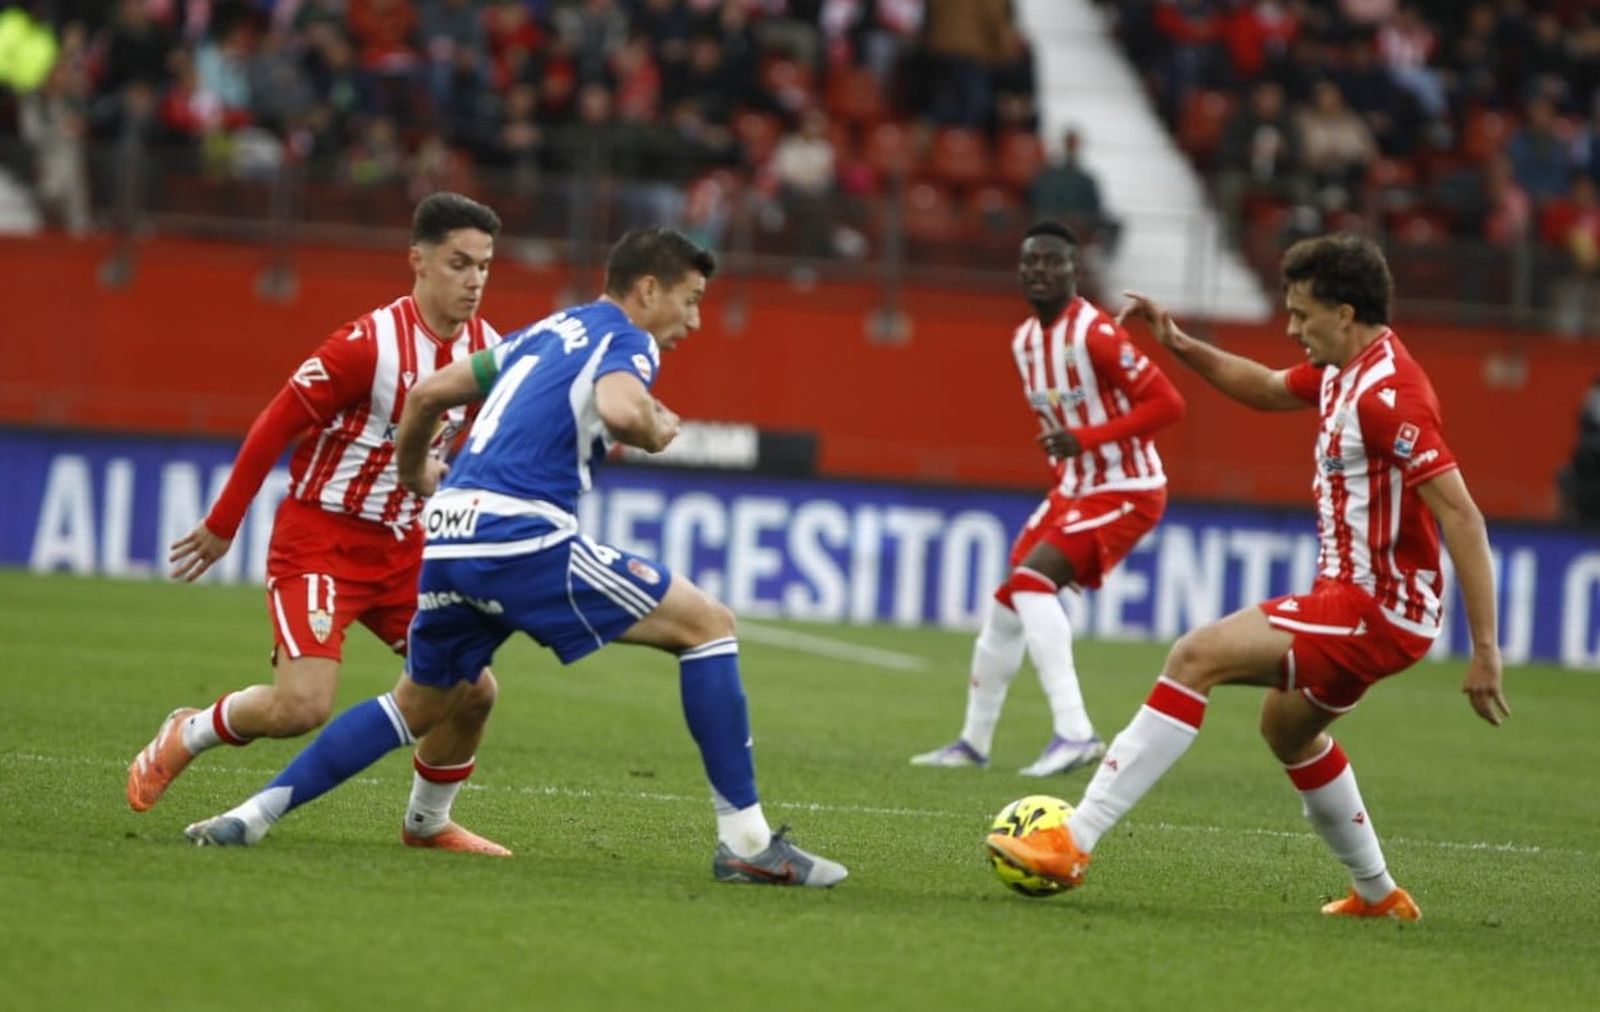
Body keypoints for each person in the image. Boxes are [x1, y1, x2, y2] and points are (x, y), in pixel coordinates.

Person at [182, 227, 848, 888]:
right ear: (648, 289)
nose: (695, 320)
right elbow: (620, 410)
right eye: (692, 300)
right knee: (709, 627)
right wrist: (654, 427)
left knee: (418, 703)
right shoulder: (627, 338)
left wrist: (415, 473)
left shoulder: (546, 331)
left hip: (446, 533)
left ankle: (252, 813)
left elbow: (427, 394)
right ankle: (747, 843)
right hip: (518, 536)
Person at [987, 234, 1510, 920]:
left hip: (1374, 609)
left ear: (1345, 313)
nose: (1291, 329)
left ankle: (1073, 839)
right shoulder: (1343, 370)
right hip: (1359, 602)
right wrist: (1179, 342)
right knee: (1287, 732)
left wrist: (1486, 652)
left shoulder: (1389, 397)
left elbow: (1464, 519)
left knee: (1195, 656)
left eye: (1301, 315)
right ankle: (1379, 895)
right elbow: (1263, 389)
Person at [128, 191, 510, 857]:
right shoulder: (368, 345)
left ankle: (427, 824)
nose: (475, 280)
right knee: (301, 707)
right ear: (417, 261)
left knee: (474, 690)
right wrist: (223, 523)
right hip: (322, 539)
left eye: (484, 266)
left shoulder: (487, 353)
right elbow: (278, 422)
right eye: (459, 263)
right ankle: (190, 730)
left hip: (405, 549)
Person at [910, 222, 1186, 776]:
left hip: (1126, 488)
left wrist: (1086, 440)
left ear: (1073, 271)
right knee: (1008, 602)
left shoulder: (1096, 333)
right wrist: (1072, 456)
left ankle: (1075, 733)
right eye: (1029, 262)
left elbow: (1168, 404)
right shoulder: (1024, 342)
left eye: (1051, 262)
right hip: (1075, 489)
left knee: (1034, 583)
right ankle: (973, 743)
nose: (1038, 270)